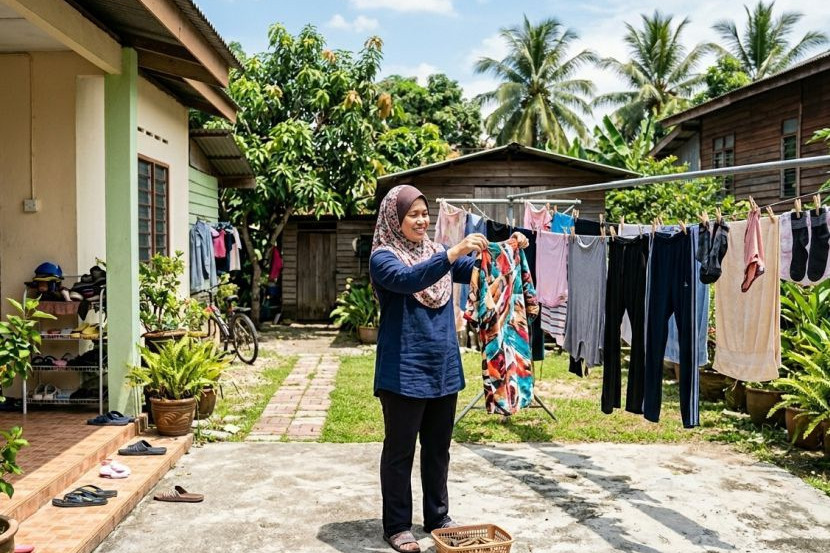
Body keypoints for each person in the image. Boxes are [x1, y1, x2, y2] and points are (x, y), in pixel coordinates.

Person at [369, 185, 528, 553]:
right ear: (394, 219)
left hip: (442, 367)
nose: (421, 220)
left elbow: (477, 269)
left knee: (438, 448)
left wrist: (507, 247)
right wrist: (452, 252)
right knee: (400, 452)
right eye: (413, 214)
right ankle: (397, 526)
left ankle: (437, 517)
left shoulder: (435, 252)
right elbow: (409, 279)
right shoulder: (383, 258)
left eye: (425, 214)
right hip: (403, 369)